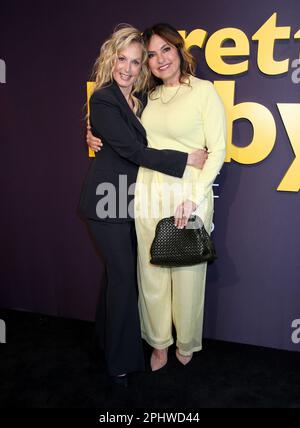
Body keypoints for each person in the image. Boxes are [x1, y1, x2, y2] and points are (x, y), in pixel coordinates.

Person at [87, 23, 226, 372]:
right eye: (151, 54)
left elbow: (218, 149)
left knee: (188, 275)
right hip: (147, 194)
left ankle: (187, 342)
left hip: (185, 194)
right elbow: (126, 136)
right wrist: (91, 134)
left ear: (179, 51)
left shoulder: (203, 91)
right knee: (151, 275)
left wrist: (194, 198)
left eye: (166, 49)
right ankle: (159, 343)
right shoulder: (149, 96)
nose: (159, 59)